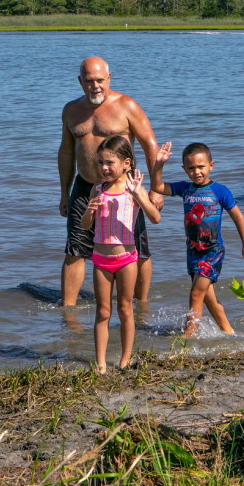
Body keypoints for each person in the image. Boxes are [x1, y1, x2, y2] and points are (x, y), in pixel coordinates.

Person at [58, 57, 163, 306]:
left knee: (137, 249)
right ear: (80, 81)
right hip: (85, 187)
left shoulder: (126, 105)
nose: (95, 86)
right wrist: (64, 193)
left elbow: (150, 144)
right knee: (75, 247)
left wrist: (156, 188)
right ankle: (68, 314)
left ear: (109, 78)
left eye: (100, 81)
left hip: (125, 189)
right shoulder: (71, 110)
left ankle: (140, 307)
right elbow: (66, 152)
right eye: (89, 81)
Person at [151, 141, 244, 338]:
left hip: (212, 252)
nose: (196, 172)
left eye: (201, 167)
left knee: (196, 293)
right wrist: (159, 164)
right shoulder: (185, 189)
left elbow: (238, 217)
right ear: (184, 169)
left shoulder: (219, 191)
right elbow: (157, 186)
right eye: (191, 168)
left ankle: (189, 334)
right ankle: (230, 333)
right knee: (208, 298)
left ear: (211, 165)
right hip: (193, 252)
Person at [80, 136, 160, 373]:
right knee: (103, 311)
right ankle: (101, 363)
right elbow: (85, 226)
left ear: (126, 163)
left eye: (109, 163)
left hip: (127, 260)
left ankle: (125, 359)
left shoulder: (133, 188)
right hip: (100, 260)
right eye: (100, 163)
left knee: (125, 309)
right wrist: (88, 210)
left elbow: (155, 218)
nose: (104, 168)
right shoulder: (98, 189)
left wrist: (138, 196)